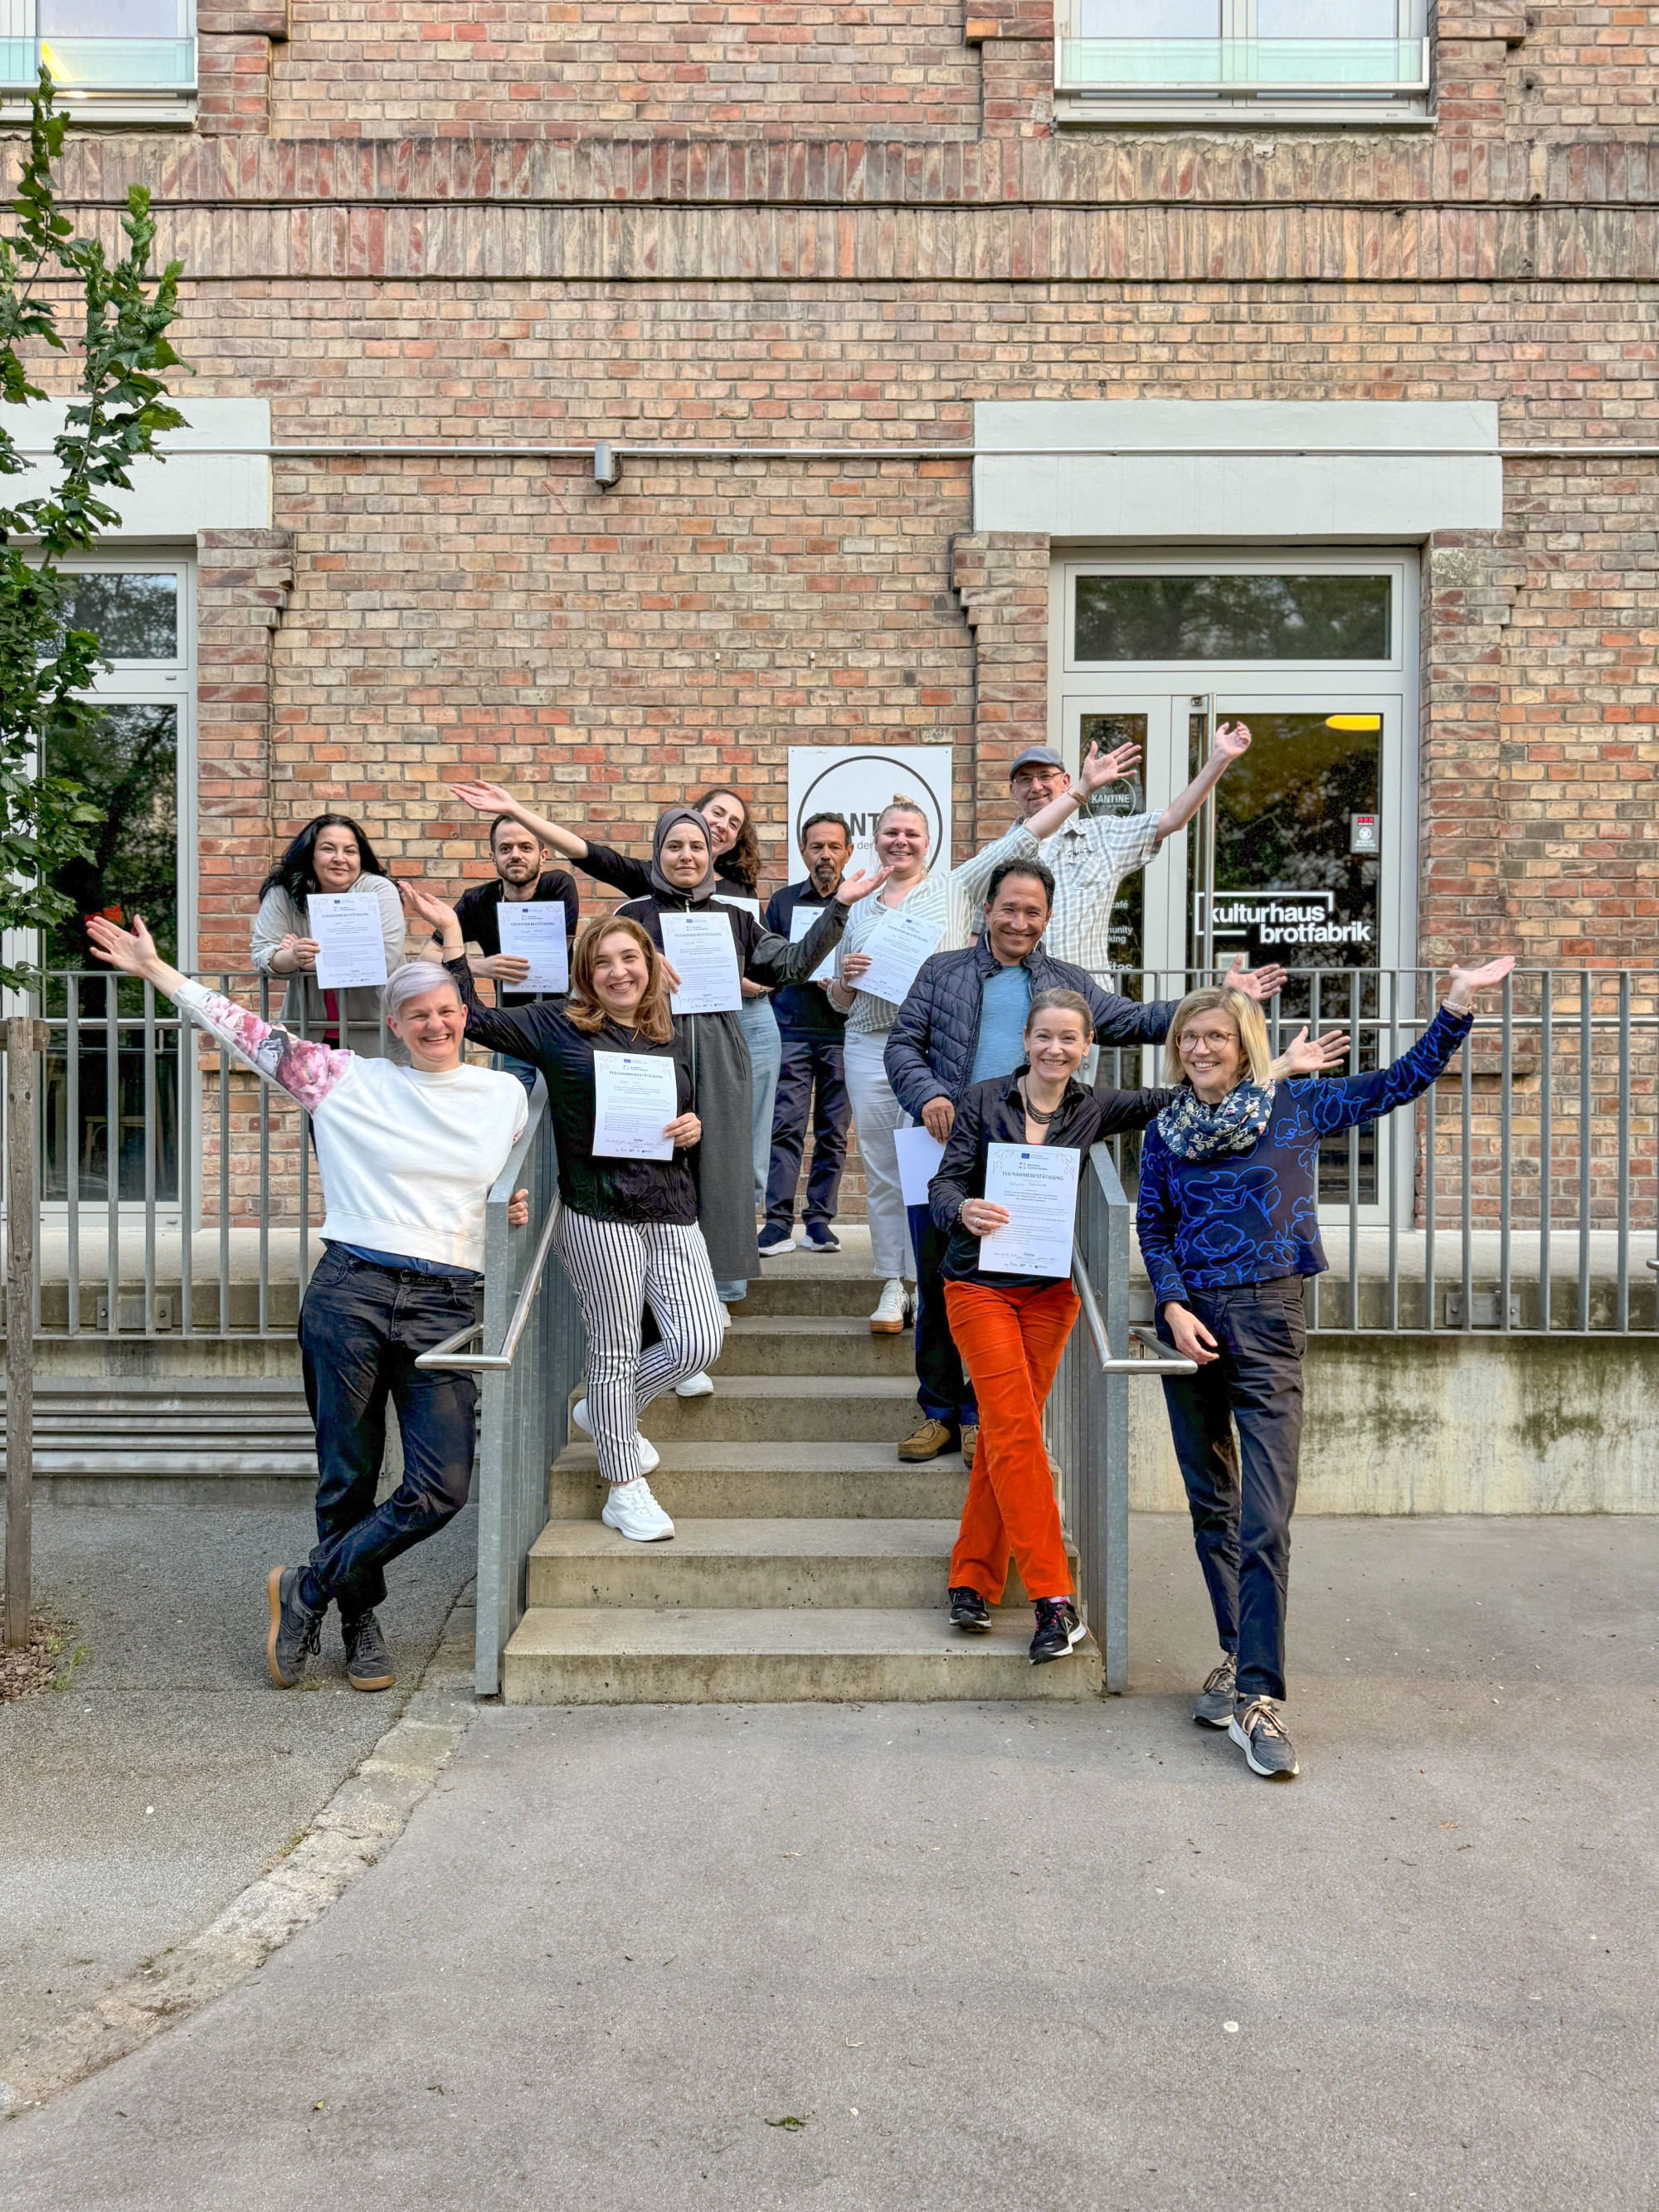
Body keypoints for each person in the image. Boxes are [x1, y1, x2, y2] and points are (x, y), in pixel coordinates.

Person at [85, 910, 531, 1694]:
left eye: (446, 1010)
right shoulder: (348, 1078)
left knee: (441, 1487)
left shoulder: (503, 1097)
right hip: (353, 1289)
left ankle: (307, 1584)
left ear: (465, 1013)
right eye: (417, 1014)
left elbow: (497, 1189)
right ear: (394, 1024)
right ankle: (359, 1623)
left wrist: (509, 1204)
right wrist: (158, 972)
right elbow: (242, 1029)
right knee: (347, 1477)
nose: (434, 1023)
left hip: (444, 1302)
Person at [1137, 955, 1515, 1782]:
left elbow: (1398, 1084)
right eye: (1188, 1038)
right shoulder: (1164, 1132)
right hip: (1186, 1323)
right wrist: (1168, 1306)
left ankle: (1259, 1699)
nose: (1200, 1048)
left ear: (1241, 1045)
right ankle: (1238, 1658)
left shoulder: (1292, 1103)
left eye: (1214, 1036)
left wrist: (1454, 1006)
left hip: (1268, 1317)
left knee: (1263, 1518)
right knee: (1210, 1505)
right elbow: (1153, 1229)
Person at [447, 780, 888, 1396]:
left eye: (698, 846)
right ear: (658, 853)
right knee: (654, 1186)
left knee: (716, 1180)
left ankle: (697, 1309)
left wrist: (839, 906)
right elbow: (597, 974)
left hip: (720, 1055)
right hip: (648, 1056)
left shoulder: (736, 918)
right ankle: (661, 1332)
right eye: (675, 845)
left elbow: (787, 966)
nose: (687, 855)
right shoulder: (635, 916)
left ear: (712, 856)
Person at [885, 858, 1287, 1469]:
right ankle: (939, 1412)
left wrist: (1221, 1001)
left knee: (1008, 1285)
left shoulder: (1066, 981)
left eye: (1033, 911)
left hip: (1031, 1160)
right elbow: (901, 1045)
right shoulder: (942, 972)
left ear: (1047, 918)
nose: (1019, 921)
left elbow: (1133, 1019)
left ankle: (982, 1416)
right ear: (987, 909)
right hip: (950, 1147)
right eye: (1009, 907)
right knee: (944, 1282)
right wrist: (930, 1095)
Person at [402, 887, 720, 1544]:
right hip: (599, 1212)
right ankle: (623, 1486)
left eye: (630, 958)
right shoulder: (557, 1025)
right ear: (586, 974)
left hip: (671, 1209)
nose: (618, 971)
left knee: (699, 1340)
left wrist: (692, 1128)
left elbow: (683, 1117)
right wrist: (455, 940)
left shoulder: (669, 1033)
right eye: (602, 961)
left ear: (651, 965)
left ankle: (607, 1412)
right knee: (614, 1349)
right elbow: (475, 1021)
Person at [827, 782, 1095, 1338]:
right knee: (881, 1171)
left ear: (928, 841)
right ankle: (891, 1281)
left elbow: (1024, 836)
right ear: (875, 840)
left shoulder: (956, 885)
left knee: (929, 1172)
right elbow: (837, 997)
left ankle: (928, 1280)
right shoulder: (857, 903)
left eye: (911, 833)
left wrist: (1083, 789)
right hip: (871, 1044)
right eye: (891, 833)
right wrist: (845, 982)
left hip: (936, 1052)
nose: (900, 841)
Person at [992, 723, 1256, 982]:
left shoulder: (1101, 837)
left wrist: (1220, 758)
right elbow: (977, 937)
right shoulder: (995, 857)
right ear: (1013, 791)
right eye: (1025, 779)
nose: (1036, 786)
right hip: (1020, 1004)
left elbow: (1173, 819)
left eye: (1045, 776)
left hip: (1088, 1005)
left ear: (1066, 782)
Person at [758, 810, 855, 1256]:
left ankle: (819, 1223)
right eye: (816, 846)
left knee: (833, 1133)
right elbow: (768, 966)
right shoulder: (780, 904)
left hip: (842, 1033)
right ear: (803, 852)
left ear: (849, 852)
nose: (825, 855)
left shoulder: (861, 903)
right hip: (792, 1029)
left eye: (834, 847)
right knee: (786, 1129)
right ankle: (777, 1223)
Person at [435, 813, 580, 1093]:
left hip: (564, 1022)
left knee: (564, 1113)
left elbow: (554, 952)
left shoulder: (558, 885)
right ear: (493, 857)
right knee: (510, 1109)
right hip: (511, 1025)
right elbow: (426, 956)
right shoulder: (476, 900)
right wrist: (480, 967)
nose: (515, 855)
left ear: (544, 855)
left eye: (526, 847)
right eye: (505, 848)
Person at [695, 786, 782, 1229]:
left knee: (750, 1139)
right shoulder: (653, 883)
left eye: (734, 823)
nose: (723, 826)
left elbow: (759, 953)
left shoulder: (739, 887)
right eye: (717, 814)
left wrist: (755, 982)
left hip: (751, 1015)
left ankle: (733, 1266)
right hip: (693, 1017)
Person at [251, 814, 407, 1055]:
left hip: (373, 1034)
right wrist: (293, 957)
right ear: (310, 854)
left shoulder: (378, 890)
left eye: (350, 851)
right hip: (309, 1035)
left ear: (360, 857)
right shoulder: (283, 893)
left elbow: (386, 958)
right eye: (328, 849)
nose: (340, 859)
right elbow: (262, 955)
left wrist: (315, 962)